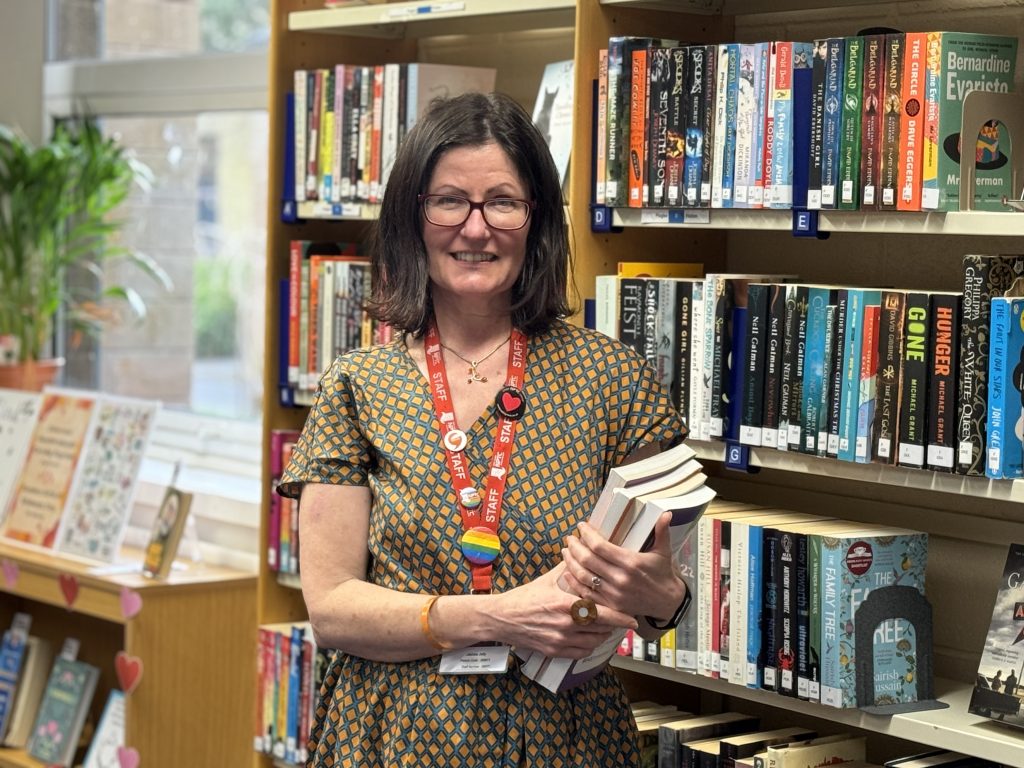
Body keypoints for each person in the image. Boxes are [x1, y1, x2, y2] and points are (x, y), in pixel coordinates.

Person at [279, 91, 689, 768]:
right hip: (390, 736)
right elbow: (332, 610)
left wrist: (662, 598)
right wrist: (496, 617)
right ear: (414, 217)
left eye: (502, 201)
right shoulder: (358, 385)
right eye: (449, 201)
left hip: (566, 738)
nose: (476, 229)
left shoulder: (614, 380)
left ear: (536, 221)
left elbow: (666, 594)